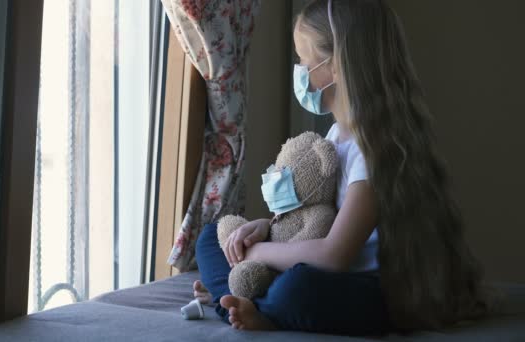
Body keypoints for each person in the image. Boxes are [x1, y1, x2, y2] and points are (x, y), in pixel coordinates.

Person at [193, 0, 491, 335]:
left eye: (304, 60)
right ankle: (247, 302)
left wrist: (259, 253)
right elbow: (317, 216)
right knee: (211, 238)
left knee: (297, 288)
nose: (300, 70)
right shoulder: (336, 135)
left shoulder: (377, 148)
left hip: (367, 288)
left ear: (335, 66)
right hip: (325, 269)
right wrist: (263, 228)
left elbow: (335, 254)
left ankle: (246, 303)